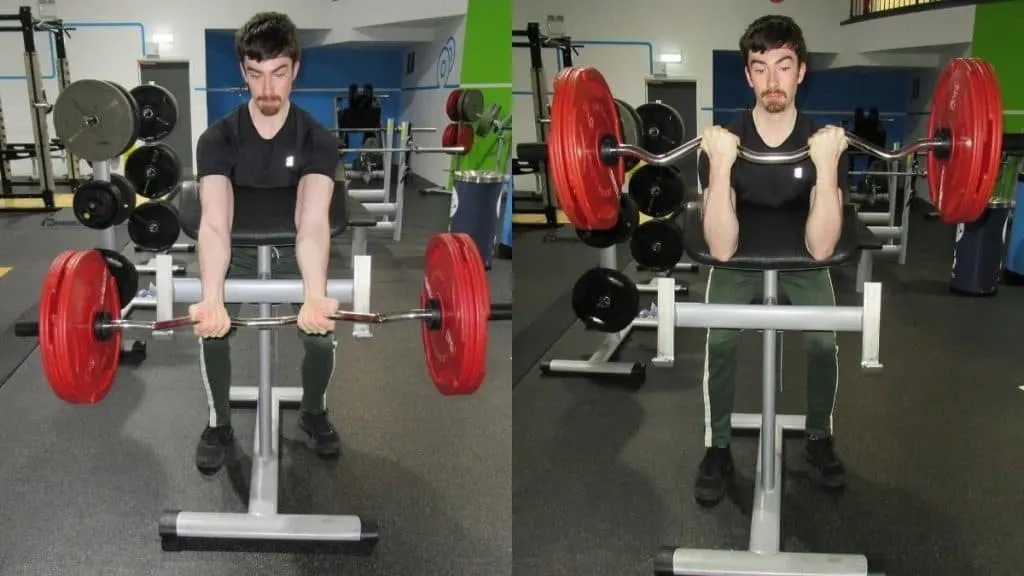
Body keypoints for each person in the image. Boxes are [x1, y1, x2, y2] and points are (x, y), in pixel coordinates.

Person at [694, 15, 850, 506]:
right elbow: (721, 248)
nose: (772, 81)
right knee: (719, 342)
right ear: (748, 76)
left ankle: (818, 436)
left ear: (801, 71)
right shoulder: (725, 141)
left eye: (784, 66)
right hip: (740, 251)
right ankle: (718, 445)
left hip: (803, 249)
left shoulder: (824, 142)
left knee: (825, 344)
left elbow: (822, 248)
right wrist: (720, 166)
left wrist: (826, 168)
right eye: (760, 68)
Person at [189, 12, 343, 475]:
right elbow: (215, 223)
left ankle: (313, 411)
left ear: (295, 68)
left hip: (291, 253)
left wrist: (315, 292)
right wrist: (212, 297)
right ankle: (219, 422)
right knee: (211, 332)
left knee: (320, 337)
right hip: (234, 254)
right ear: (244, 71)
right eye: (256, 75)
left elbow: (312, 221)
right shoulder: (217, 138)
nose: (268, 89)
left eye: (278, 73)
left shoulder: (318, 139)